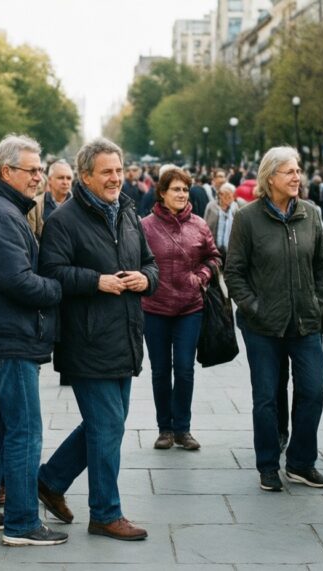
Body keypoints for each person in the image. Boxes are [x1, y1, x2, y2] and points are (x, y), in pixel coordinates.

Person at [38, 137, 159, 541]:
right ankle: (105, 513)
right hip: (86, 339)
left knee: (106, 423)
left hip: (124, 334)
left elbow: (149, 262)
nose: (115, 178)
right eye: (106, 171)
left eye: (119, 170)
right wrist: (96, 281)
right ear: (85, 175)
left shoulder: (127, 212)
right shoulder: (64, 220)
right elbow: (51, 273)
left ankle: (50, 480)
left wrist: (146, 279)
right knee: (107, 426)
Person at [0, 135, 67, 546]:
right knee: (24, 432)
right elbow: (15, 280)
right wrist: (57, 289)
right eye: (33, 170)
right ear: (7, 172)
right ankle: (23, 523)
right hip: (7, 341)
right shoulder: (2, 214)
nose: (39, 177)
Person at [224, 146, 323, 494]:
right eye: (290, 172)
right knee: (267, 396)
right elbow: (234, 271)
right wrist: (253, 307)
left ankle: (301, 462)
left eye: (298, 171)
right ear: (270, 178)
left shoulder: (311, 214)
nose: (298, 177)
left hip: (304, 322)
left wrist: (319, 303)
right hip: (262, 326)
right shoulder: (247, 218)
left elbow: (321, 265)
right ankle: (268, 464)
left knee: (314, 388)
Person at [141, 166, 221, 451]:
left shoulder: (199, 224)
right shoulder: (145, 226)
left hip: (190, 307)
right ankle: (164, 428)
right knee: (161, 371)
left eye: (185, 189)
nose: (181, 194)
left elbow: (213, 257)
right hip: (155, 308)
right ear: (162, 193)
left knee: (185, 369)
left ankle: (182, 429)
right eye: (175, 189)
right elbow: (136, 260)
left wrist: (202, 277)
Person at [27, 160, 73, 240]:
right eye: (61, 178)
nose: (65, 182)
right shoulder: (35, 205)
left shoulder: (80, 205)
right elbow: (31, 238)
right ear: (50, 180)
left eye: (68, 178)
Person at [204, 183, 244, 260]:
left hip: (230, 248)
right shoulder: (211, 206)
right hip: (213, 246)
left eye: (230, 196)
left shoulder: (236, 207)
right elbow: (205, 225)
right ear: (220, 195)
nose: (228, 198)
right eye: (225, 195)